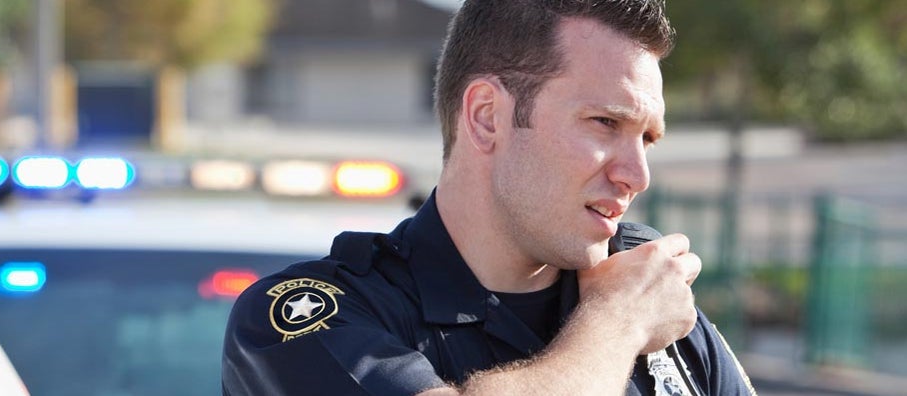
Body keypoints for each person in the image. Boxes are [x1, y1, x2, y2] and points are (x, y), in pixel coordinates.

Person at [222, 1, 757, 395]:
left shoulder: (653, 299)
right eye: (604, 122)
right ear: (486, 117)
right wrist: (618, 323)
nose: (636, 174)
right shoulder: (307, 317)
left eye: (646, 138)